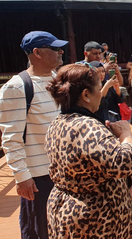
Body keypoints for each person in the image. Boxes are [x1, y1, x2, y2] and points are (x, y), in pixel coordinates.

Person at [45, 64, 132, 238]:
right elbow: (125, 162)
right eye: (98, 89)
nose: (101, 95)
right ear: (86, 95)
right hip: (96, 217)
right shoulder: (87, 126)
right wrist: (126, 135)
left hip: (66, 208)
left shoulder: (58, 122)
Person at [0, 30, 68, 238]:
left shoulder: (56, 79)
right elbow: (11, 139)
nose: (61, 52)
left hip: (62, 171)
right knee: (41, 230)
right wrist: (22, 177)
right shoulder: (17, 87)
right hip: (39, 177)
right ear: (37, 53)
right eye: (55, 49)